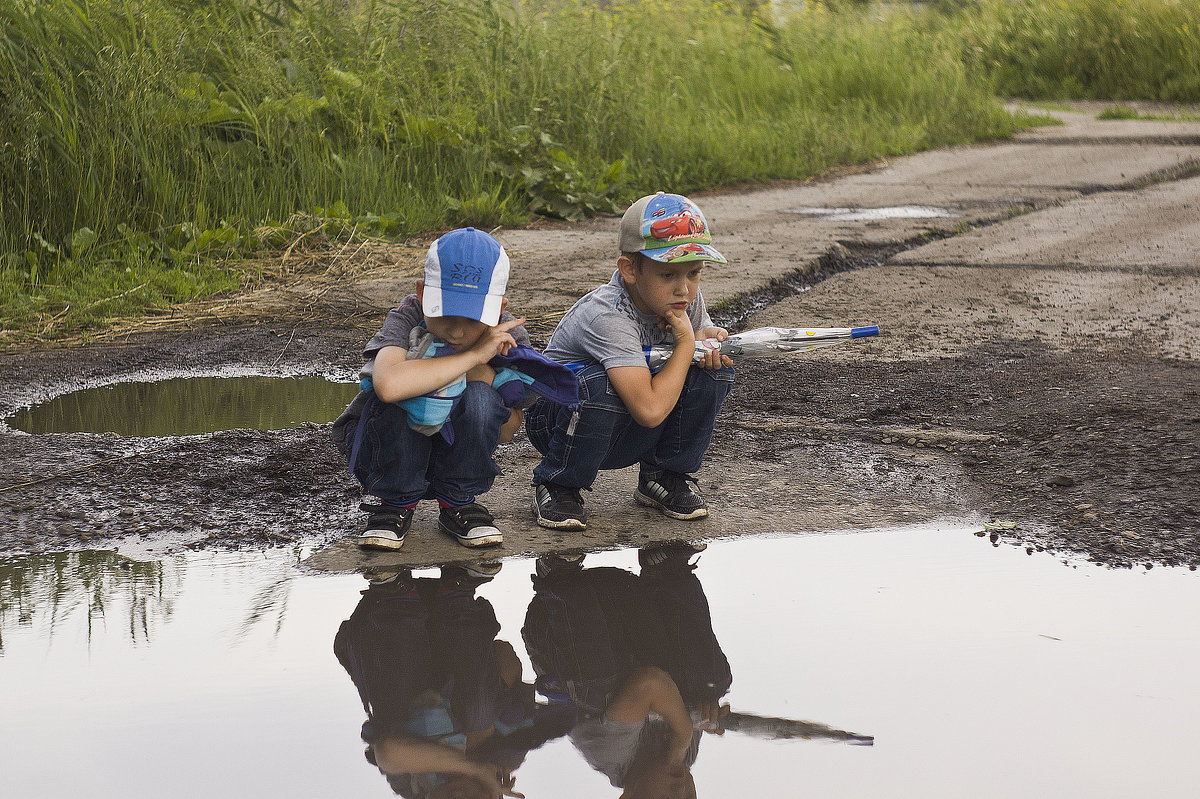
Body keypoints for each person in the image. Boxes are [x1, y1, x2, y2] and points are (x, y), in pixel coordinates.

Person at [332, 227, 577, 550]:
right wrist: (473, 357)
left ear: (498, 308)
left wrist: (484, 377)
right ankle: (395, 503)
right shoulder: (407, 316)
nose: (458, 330)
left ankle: (457, 501)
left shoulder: (507, 335)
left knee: (480, 397)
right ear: (422, 294)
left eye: (473, 319)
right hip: (381, 451)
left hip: (454, 456)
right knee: (404, 391)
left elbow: (505, 432)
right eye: (445, 313)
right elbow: (390, 386)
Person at [526, 192, 735, 530]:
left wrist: (703, 343)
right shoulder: (607, 315)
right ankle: (558, 483)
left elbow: (688, 353)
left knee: (714, 370)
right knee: (598, 383)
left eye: (694, 273)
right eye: (668, 275)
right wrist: (684, 346)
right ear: (630, 270)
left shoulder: (683, 300)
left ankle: (664, 475)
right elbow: (649, 411)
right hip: (559, 420)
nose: (684, 289)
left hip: (626, 423)